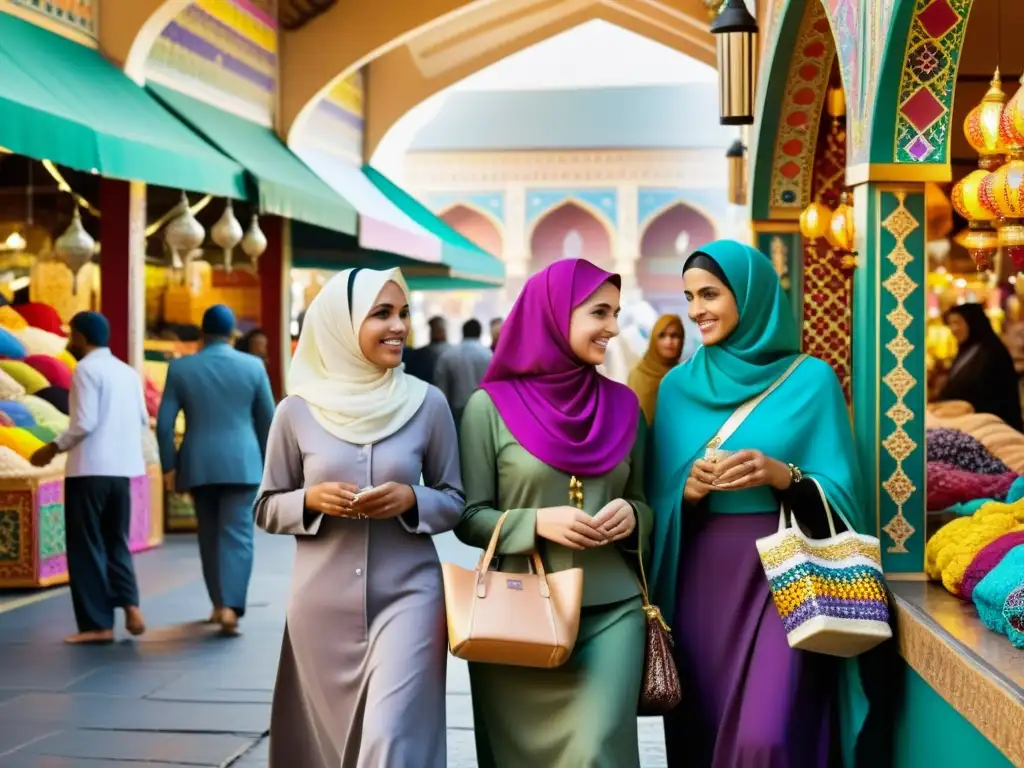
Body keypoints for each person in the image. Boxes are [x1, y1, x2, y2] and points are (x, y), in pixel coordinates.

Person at [647, 240, 874, 767]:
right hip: (702, 575)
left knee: (765, 735)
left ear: (750, 296)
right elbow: (655, 495)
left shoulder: (811, 379)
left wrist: (782, 475)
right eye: (689, 297)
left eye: (710, 294)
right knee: (704, 725)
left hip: (787, 572)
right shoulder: (677, 388)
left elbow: (845, 493)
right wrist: (687, 488)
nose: (697, 309)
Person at [255, 267, 464, 768]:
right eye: (382, 314)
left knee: (390, 740)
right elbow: (265, 506)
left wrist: (412, 499)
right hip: (320, 607)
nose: (399, 326)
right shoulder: (296, 411)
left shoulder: (427, 404)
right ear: (341, 325)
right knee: (327, 749)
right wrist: (310, 500)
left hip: (410, 597)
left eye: (403, 313)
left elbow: (455, 499)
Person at [456, 258, 651, 768]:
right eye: (600, 312)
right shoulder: (488, 408)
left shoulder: (626, 406)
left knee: (596, 751)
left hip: (611, 611)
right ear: (553, 314)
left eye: (616, 313)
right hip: (516, 615)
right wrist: (536, 522)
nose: (613, 327)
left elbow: (646, 502)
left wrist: (633, 515)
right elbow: (469, 516)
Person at [156, 305, 275, 634]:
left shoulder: (181, 369)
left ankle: (218, 603)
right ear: (232, 333)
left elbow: (164, 425)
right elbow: (269, 420)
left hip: (198, 462)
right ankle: (232, 609)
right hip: (243, 463)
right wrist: (271, 465)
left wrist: (169, 466)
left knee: (208, 535)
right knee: (237, 535)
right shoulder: (253, 367)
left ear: (201, 332)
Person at [30, 311, 147, 644]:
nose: (70, 340)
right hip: (122, 470)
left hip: (90, 470)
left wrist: (52, 448)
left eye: (72, 334)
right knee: (116, 541)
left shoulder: (85, 369)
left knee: (86, 547)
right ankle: (130, 605)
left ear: (81, 336)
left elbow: (84, 422)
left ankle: (97, 624)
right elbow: (140, 418)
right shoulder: (127, 372)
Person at [939, 303, 1023, 431]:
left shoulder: (992, 352)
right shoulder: (965, 351)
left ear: (972, 322)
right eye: (950, 324)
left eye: (957, 323)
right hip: (964, 425)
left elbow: (995, 396)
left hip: (991, 429)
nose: (953, 329)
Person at [627, 313, 684, 425]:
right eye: (662, 336)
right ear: (654, 339)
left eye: (675, 335)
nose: (669, 342)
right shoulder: (639, 376)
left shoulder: (684, 376)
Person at [434, 318, 492, 427]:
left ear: (463, 332)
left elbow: (441, 389)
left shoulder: (448, 355)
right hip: (483, 411)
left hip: (457, 412)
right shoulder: (489, 356)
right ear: (479, 333)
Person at [402, 315, 450, 384]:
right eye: (433, 329)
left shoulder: (450, 353)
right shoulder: (421, 353)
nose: (434, 332)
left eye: (437, 329)